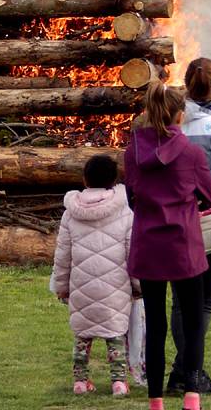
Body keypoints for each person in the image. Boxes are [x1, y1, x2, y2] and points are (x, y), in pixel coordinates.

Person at [125, 82, 211, 410]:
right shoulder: (191, 153)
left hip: (149, 244)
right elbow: (207, 195)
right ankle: (191, 394)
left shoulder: (134, 150)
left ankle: (155, 400)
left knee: (156, 322)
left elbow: (131, 197)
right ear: (181, 114)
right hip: (184, 245)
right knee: (192, 320)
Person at [167, 58, 211, 396]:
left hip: (178, 218)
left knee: (180, 304)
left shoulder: (175, 123)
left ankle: (183, 371)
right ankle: (188, 371)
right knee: (204, 304)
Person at [52, 154, 136, 398]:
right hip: (116, 287)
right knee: (115, 335)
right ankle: (119, 382)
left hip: (81, 286)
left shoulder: (71, 213)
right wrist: (138, 285)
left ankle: (80, 381)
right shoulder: (125, 212)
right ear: (114, 180)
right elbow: (133, 253)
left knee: (82, 335)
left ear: (84, 179)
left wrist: (61, 286)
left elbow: (63, 254)